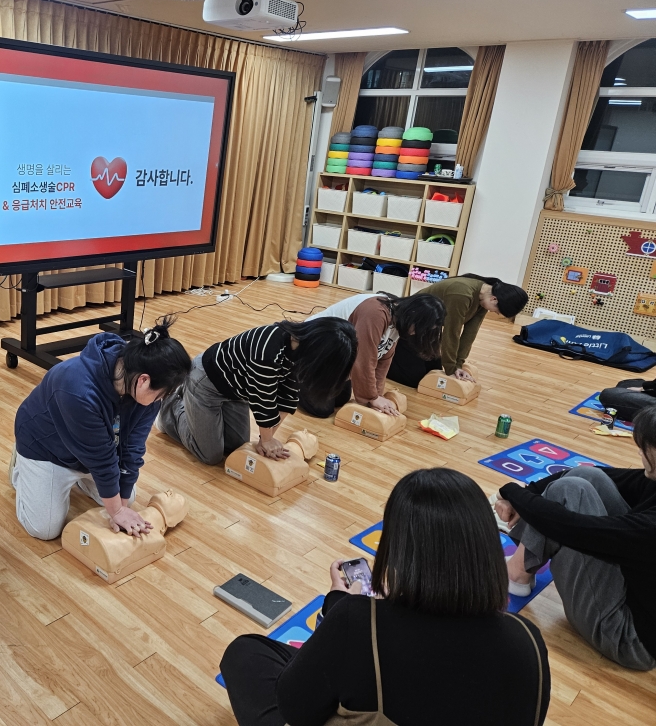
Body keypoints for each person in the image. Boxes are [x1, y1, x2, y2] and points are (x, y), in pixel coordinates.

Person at [220, 468, 550, 726]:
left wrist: (338, 605)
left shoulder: (359, 622)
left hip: (346, 644)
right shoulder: (528, 640)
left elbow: (294, 707)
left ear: (399, 552)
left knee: (246, 652)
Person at [495, 403, 656, 671]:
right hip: (637, 589)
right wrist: (525, 493)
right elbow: (594, 473)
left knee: (567, 496)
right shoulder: (653, 480)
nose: (639, 451)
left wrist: (513, 492)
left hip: (630, 638)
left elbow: (571, 528)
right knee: (584, 477)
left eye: (645, 446)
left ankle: (516, 575)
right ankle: (519, 571)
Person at [12, 319, 191, 541]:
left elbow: (132, 449)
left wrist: (121, 508)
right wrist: (116, 511)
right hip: (45, 447)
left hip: (90, 450)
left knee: (128, 498)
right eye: (162, 394)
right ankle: (22, 467)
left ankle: (80, 478)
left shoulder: (145, 391)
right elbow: (101, 459)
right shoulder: (77, 389)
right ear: (144, 380)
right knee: (44, 529)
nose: (160, 400)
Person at [158, 318, 357, 465]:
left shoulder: (301, 354)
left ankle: (193, 408)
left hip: (236, 391)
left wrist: (264, 440)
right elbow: (264, 402)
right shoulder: (269, 352)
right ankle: (172, 405)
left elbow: (288, 398)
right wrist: (268, 440)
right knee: (210, 456)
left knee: (235, 447)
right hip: (206, 382)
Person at [300, 292, 445, 418]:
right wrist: (371, 397)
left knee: (341, 399)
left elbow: (383, 360)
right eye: (420, 328)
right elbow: (364, 358)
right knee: (322, 410)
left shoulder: (398, 321)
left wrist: (376, 397)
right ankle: (296, 376)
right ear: (413, 315)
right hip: (313, 350)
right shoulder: (376, 313)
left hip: (334, 357)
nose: (416, 333)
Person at [388, 274, 529, 387]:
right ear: (494, 299)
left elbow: (470, 333)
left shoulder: (484, 299)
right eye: (497, 311)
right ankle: (384, 359)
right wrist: (451, 368)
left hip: (430, 328)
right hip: (411, 325)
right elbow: (452, 331)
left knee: (432, 372)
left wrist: (458, 365)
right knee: (415, 379)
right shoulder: (462, 294)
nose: (495, 313)